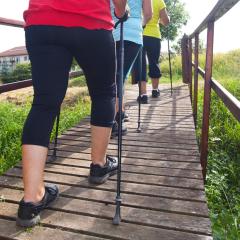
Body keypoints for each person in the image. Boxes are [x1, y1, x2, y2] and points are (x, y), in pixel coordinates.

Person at [16, 0, 127, 227]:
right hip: (92, 22)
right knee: (104, 93)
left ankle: (31, 199)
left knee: (44, 104)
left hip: (43, 20)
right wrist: (120, 10)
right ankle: (99, 164)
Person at [111, 0, 152, 136]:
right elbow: (148, 14)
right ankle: (113, 119)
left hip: (110, 29)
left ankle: (117, 114)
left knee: (115, 75)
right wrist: (140, 25)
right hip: (133, 33)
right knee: (120, 75)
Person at [133, 0, 169, 104]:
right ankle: (155, 90)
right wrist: (163, 20)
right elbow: (166, 21)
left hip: (140, 33)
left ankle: (143, 94)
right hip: (154, 36)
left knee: (140, 63)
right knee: (154, 61)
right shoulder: (159, 1)